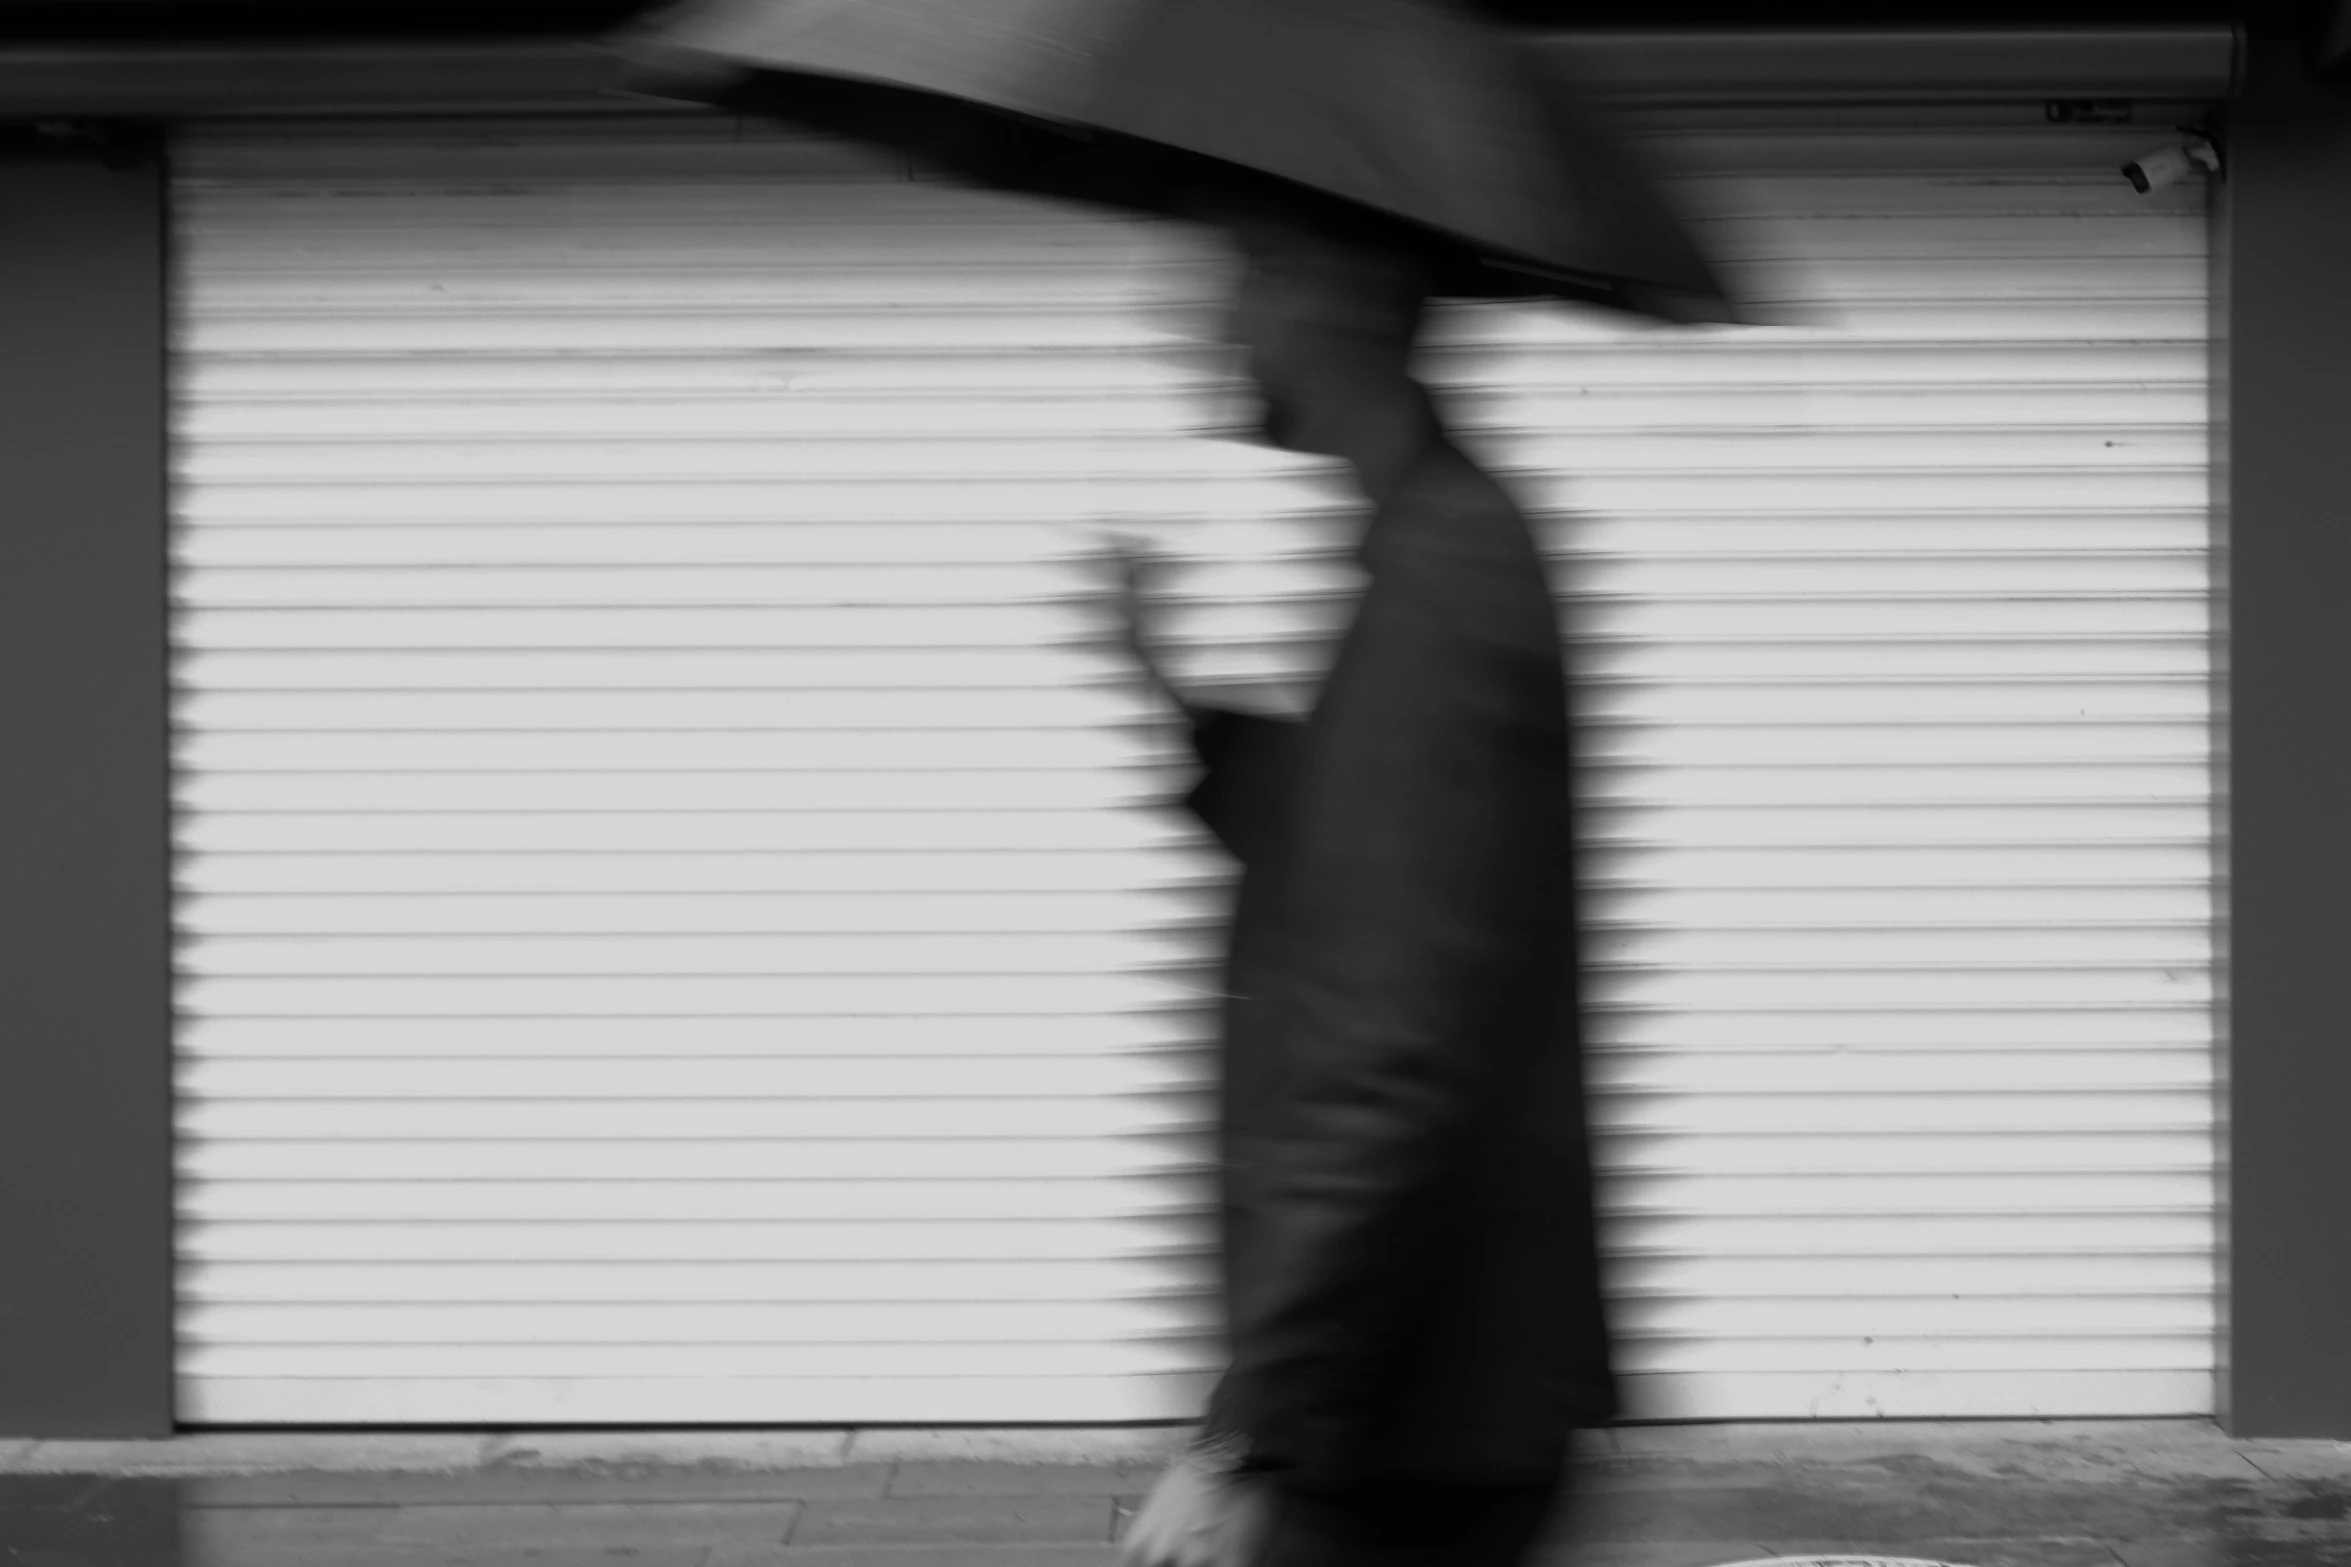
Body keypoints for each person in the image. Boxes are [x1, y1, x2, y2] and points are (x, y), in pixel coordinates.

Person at [1119, 192, 1614, 1567]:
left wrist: (1247, 1432)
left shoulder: (1437, 571)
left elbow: (1390, 1039)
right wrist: (1174, 684)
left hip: (1405, 1405)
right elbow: (1322, 872)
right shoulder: (1397, 544)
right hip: (1401, 1381)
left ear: (1319, 300)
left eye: (1235, 283)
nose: (1201, 327)